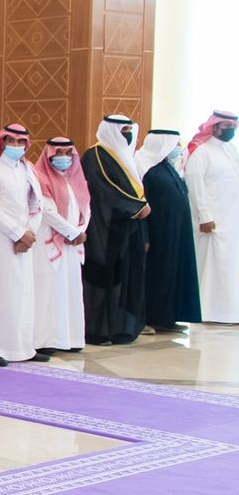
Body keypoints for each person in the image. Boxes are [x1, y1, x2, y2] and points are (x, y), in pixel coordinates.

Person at [81, 114, 150, 345]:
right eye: (123, 130)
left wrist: (138, 210)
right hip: (105, 228)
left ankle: (122, 328)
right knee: (103, 278)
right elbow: (104, 190)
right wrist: (136, 207)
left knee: (127, 277)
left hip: (128, 227)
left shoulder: (125, 156)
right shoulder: (95, 155)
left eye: (129, 130)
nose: (127, 135)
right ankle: (98, 331)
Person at [0, 124, 46, 365]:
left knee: (23, 293)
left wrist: (29, 233)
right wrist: (17, 233)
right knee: (1, 292)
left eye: (20, 142)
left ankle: (22, 347)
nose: (16, 146)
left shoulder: (28, 170)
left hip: (24, 240)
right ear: (2, 143)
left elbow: (37, 204)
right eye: (11, 141)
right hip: (0, 239)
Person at [135, 129, 202, 332]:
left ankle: (167, 318)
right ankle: (149, 318)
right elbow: (141, 203)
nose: (178, 148)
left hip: (174, 232)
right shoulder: (144, 167)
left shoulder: (166, 167)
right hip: (157, 233)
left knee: (172, 274)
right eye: (175, 144)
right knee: (156, 275)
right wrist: (145, 235)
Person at [32, 138, 89, 353]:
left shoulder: (76, 179)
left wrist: (80, 230)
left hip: (72, 243)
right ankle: (46, 340)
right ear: (49, 155)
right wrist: (71, 232)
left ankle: (71, 338)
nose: (63, 157)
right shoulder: (41, 178)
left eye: (67, 153)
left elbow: (86, 208)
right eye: (58, 153)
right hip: (50, 241)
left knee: (70, 289)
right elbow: (47, 211)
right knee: (49, 290)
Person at [188, 111, 239, 323]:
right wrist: (204, 216)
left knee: (229, 267)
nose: (231, 130)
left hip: (231, 220)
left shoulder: (231, 150)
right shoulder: (202, 152)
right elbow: (195, 186)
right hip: (211, 222)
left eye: (233, 126)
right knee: (212, 266)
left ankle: (230, 312)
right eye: (226, 126)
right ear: (215, 126)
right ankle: (208, 312)